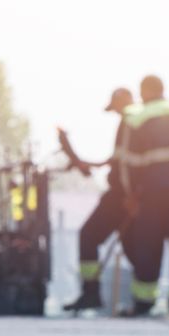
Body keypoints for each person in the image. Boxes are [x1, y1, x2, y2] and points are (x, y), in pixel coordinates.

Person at [116, 75, 169, 317]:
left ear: (143, 92)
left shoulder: (136, 117)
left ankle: (144, 302)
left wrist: (131, 195)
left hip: (151, 195)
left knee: (148, 248)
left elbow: (129, 163)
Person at [60, 87, 136, 313]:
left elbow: (124, 164)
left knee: (89, 236)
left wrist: (130, 194)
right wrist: (88, 164)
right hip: (128, 194)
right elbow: (116, 161)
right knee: (133, 246)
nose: (115, 113)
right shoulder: (131, 123)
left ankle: (91, 292)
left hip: (121, 195)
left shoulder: (130, 122)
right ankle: (141, 301)